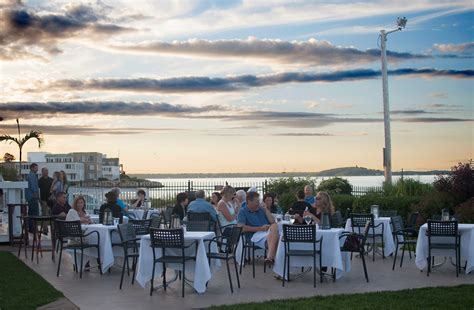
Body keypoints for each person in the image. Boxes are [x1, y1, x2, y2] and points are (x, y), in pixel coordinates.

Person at [237, 191, 279, 264]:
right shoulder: (243, 211)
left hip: (268, 233)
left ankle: (270, 257)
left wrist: (266, 210)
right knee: (279, 239)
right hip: (255, 236)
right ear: (249, 201)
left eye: (259, 201)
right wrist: (260, 228)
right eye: (256, 202)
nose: (258, 203)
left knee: (275, 227)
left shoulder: (261, 209)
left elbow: (272, 221)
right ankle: (277, 263)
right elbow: (241, 228)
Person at [38, 167, 53, 234]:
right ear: (42, 172)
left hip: (51, 200)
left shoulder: (51, 180)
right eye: (45, 171)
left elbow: (53, 190)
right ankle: (45, 230)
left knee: (53, 215)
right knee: (45, 215)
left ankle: (54, 229)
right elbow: (38, 190)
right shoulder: (40, 180)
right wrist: (39, 199)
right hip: (43, 200)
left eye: (47, 170)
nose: (46, 172)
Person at [26, 163, 40, 232]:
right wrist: (36, 194)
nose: (37, 169)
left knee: (31, 212)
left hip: (30, 197)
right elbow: (33, 186)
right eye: (35, 168)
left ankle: (31, 228)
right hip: (32, 197)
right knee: (34, 213)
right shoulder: (31, 175)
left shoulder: (32, 175)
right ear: (32, 168)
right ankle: (33, 228)